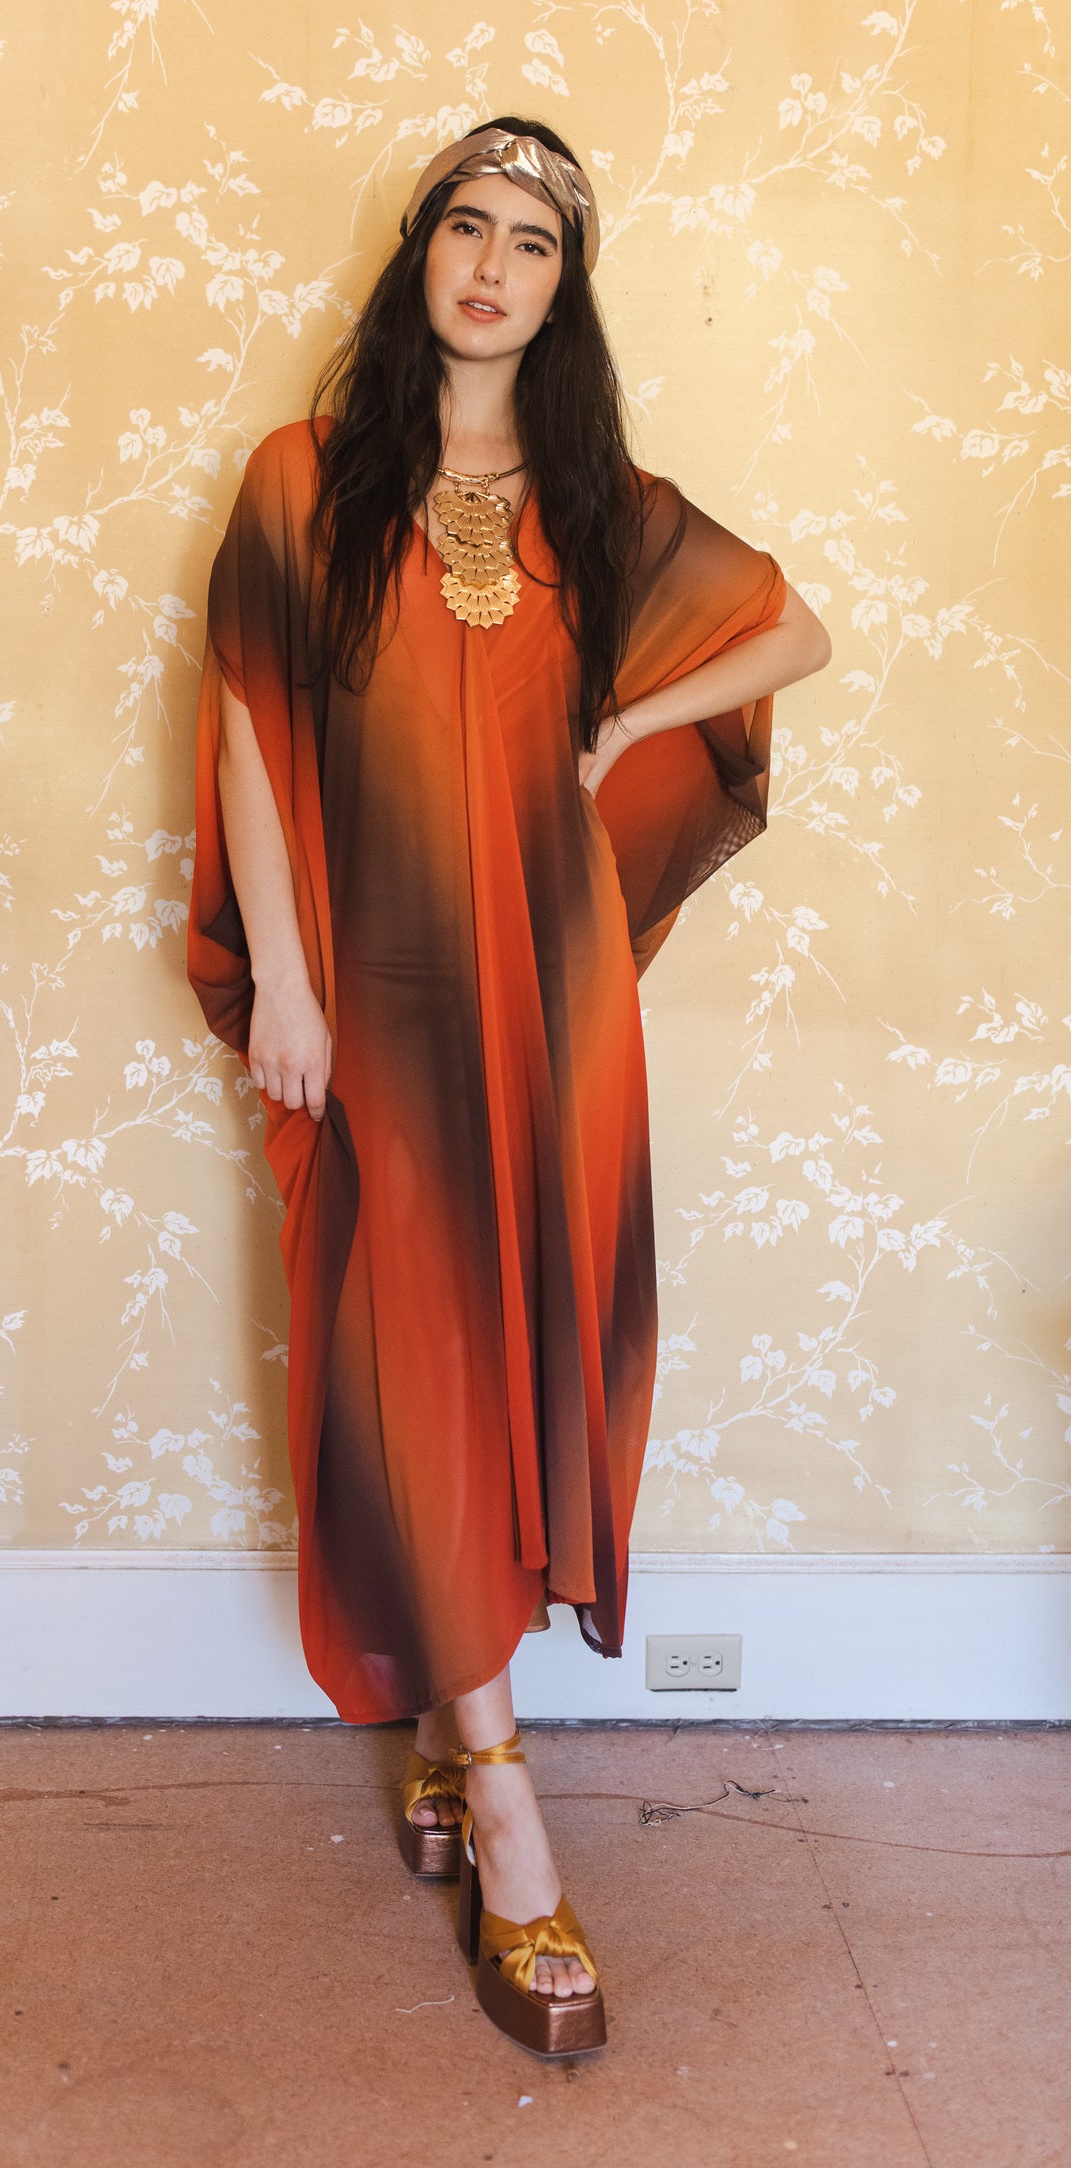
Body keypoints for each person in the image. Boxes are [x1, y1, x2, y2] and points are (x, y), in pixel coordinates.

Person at [185, 115, 832, 2057]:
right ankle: (506, 1798)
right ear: (420, 254)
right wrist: (284, 977)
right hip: (375, 1002)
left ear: (565, 288)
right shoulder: (304, 479)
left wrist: (619, 722)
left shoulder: (598, 503)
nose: (491, 265)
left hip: (554, 1006)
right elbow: (246, 723)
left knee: (533, 1351)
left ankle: (455, 1747)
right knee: (419, 1363)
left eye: (532, 242)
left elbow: (796, 629)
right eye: (466, 227)